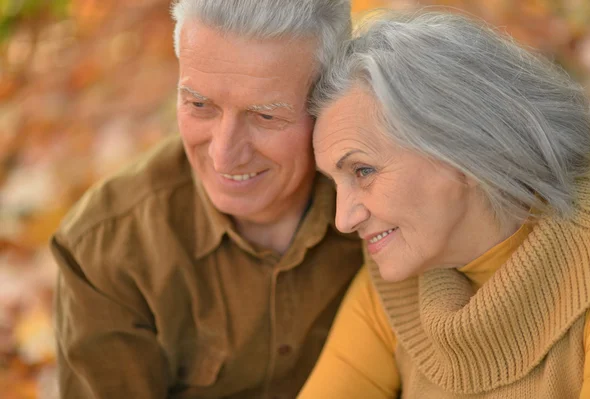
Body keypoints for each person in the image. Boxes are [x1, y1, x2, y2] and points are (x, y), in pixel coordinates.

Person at [51, 1, 363, 398]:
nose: (223, 155)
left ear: (331, 100)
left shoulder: (387, 203)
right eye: (199, 105)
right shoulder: (103, 248)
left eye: (265, 116)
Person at [299, 10, 590, 398]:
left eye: (362, 171)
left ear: (467, 148)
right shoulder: (395, 286)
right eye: (335, 182)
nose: (344, 219)